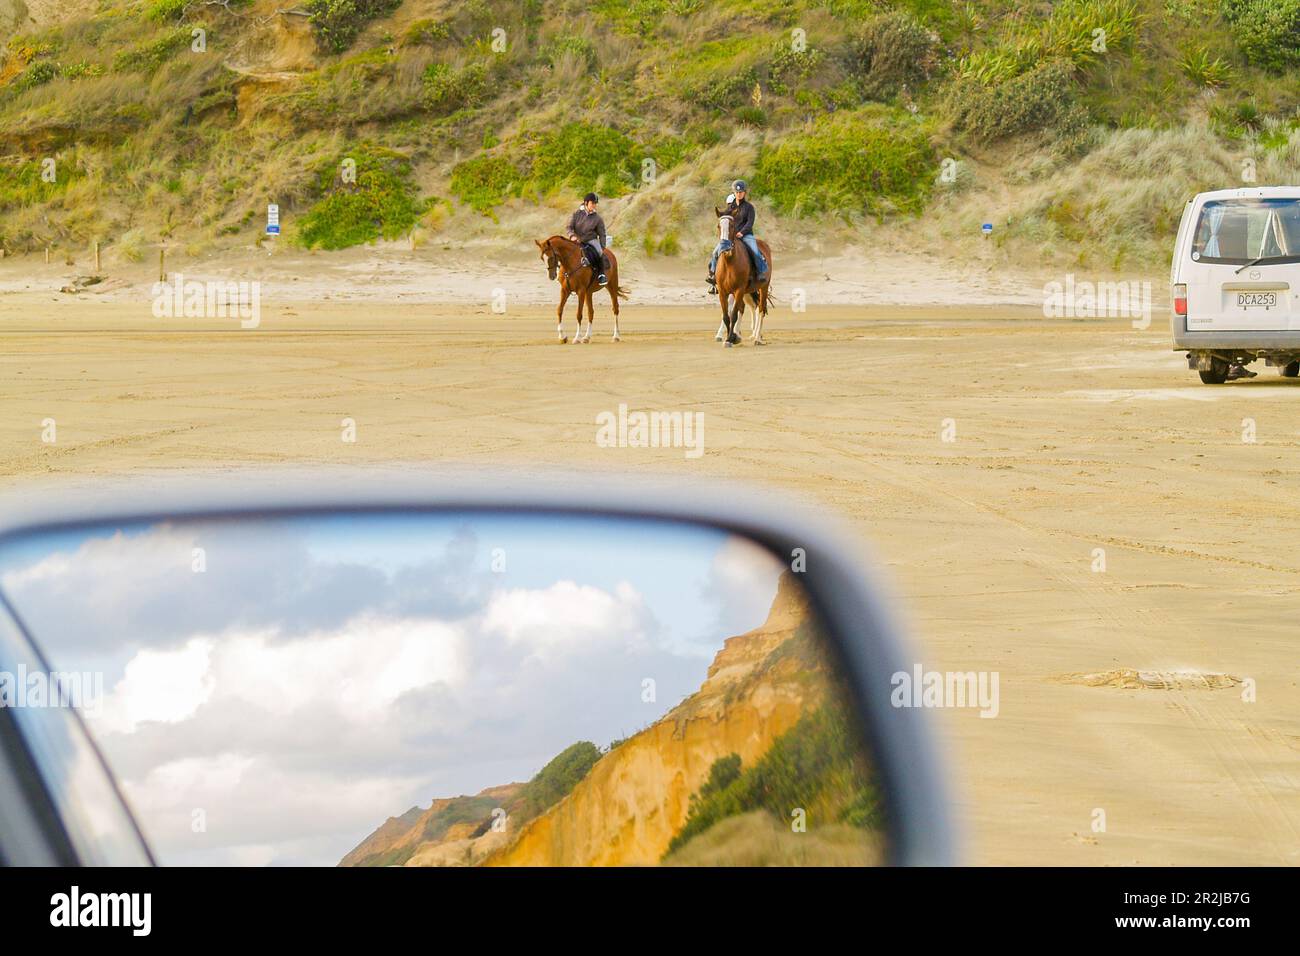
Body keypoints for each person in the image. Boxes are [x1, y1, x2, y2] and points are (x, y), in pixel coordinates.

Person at [708, 180, 768, 292]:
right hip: (732, 236)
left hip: (746, 235)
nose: (739, 194)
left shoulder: (749, 207)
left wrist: (742, 232)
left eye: (741, 192)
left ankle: (760, 273)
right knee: (715, 252)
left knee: (755, 251)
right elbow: (725, 218)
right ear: (734, 193)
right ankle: (712, 276)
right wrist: (720, 216)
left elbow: (750, 223)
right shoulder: (731, 207)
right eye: (737, 192)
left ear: (744, 193)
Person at [566, 192, 608, 286]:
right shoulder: (576, 214)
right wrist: (572, 236)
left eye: (595, 203)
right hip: (576, 239)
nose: (594, 205)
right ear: (586, 203)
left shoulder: (598, 218)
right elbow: (569, 227)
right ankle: (562, 272)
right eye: (592, 203)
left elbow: (602, 234)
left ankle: (601, 274)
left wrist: (602, 246)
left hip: (590, 240)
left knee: (599, 252)